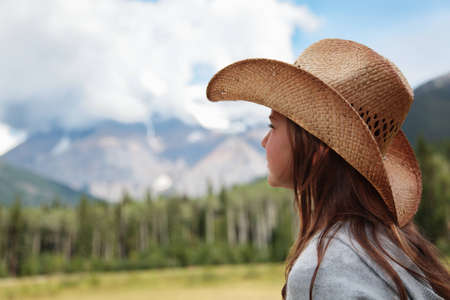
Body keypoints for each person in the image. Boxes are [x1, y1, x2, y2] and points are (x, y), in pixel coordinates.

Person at [205, 39, 450, 299]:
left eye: (272, 127)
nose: (264, 141)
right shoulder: (395, 247)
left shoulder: (323, 272)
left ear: (317, 150)